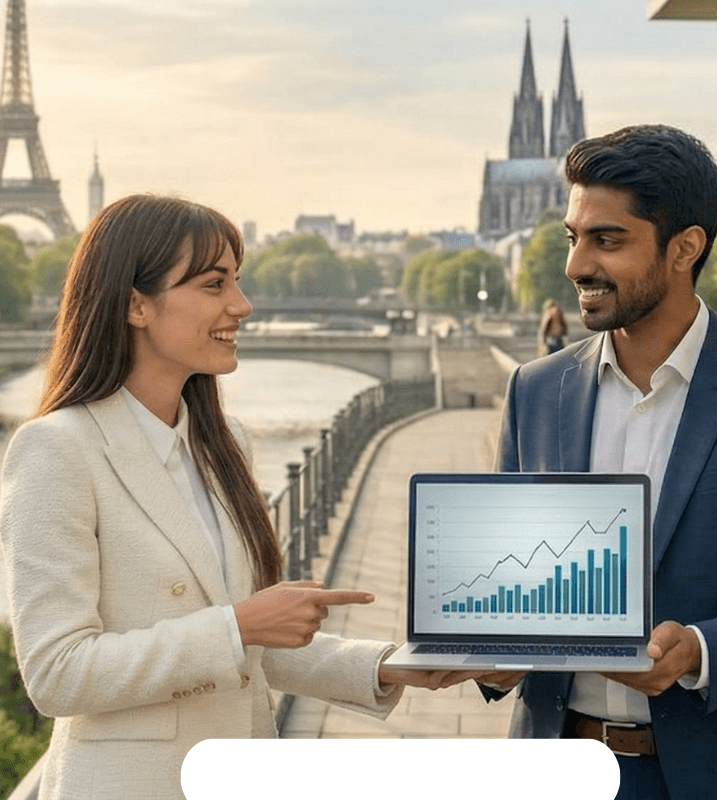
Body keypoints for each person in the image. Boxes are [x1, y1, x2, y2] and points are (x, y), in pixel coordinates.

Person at [0, 194, 472, 800]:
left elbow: (248, 644)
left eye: (237, 283)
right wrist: (236, 626)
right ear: (135, 304)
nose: (242, 306)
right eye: (213, 284)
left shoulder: (224, 446)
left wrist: (385, 664)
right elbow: (56, 674)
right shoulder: (56, 449)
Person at [485, 125, 717, 799]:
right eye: (574, 237)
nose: (574, 265)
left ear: (686, 247)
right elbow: (505, 580)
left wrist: (702, 650)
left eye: (607, 239)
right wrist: (486, 650)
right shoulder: (532, 391)